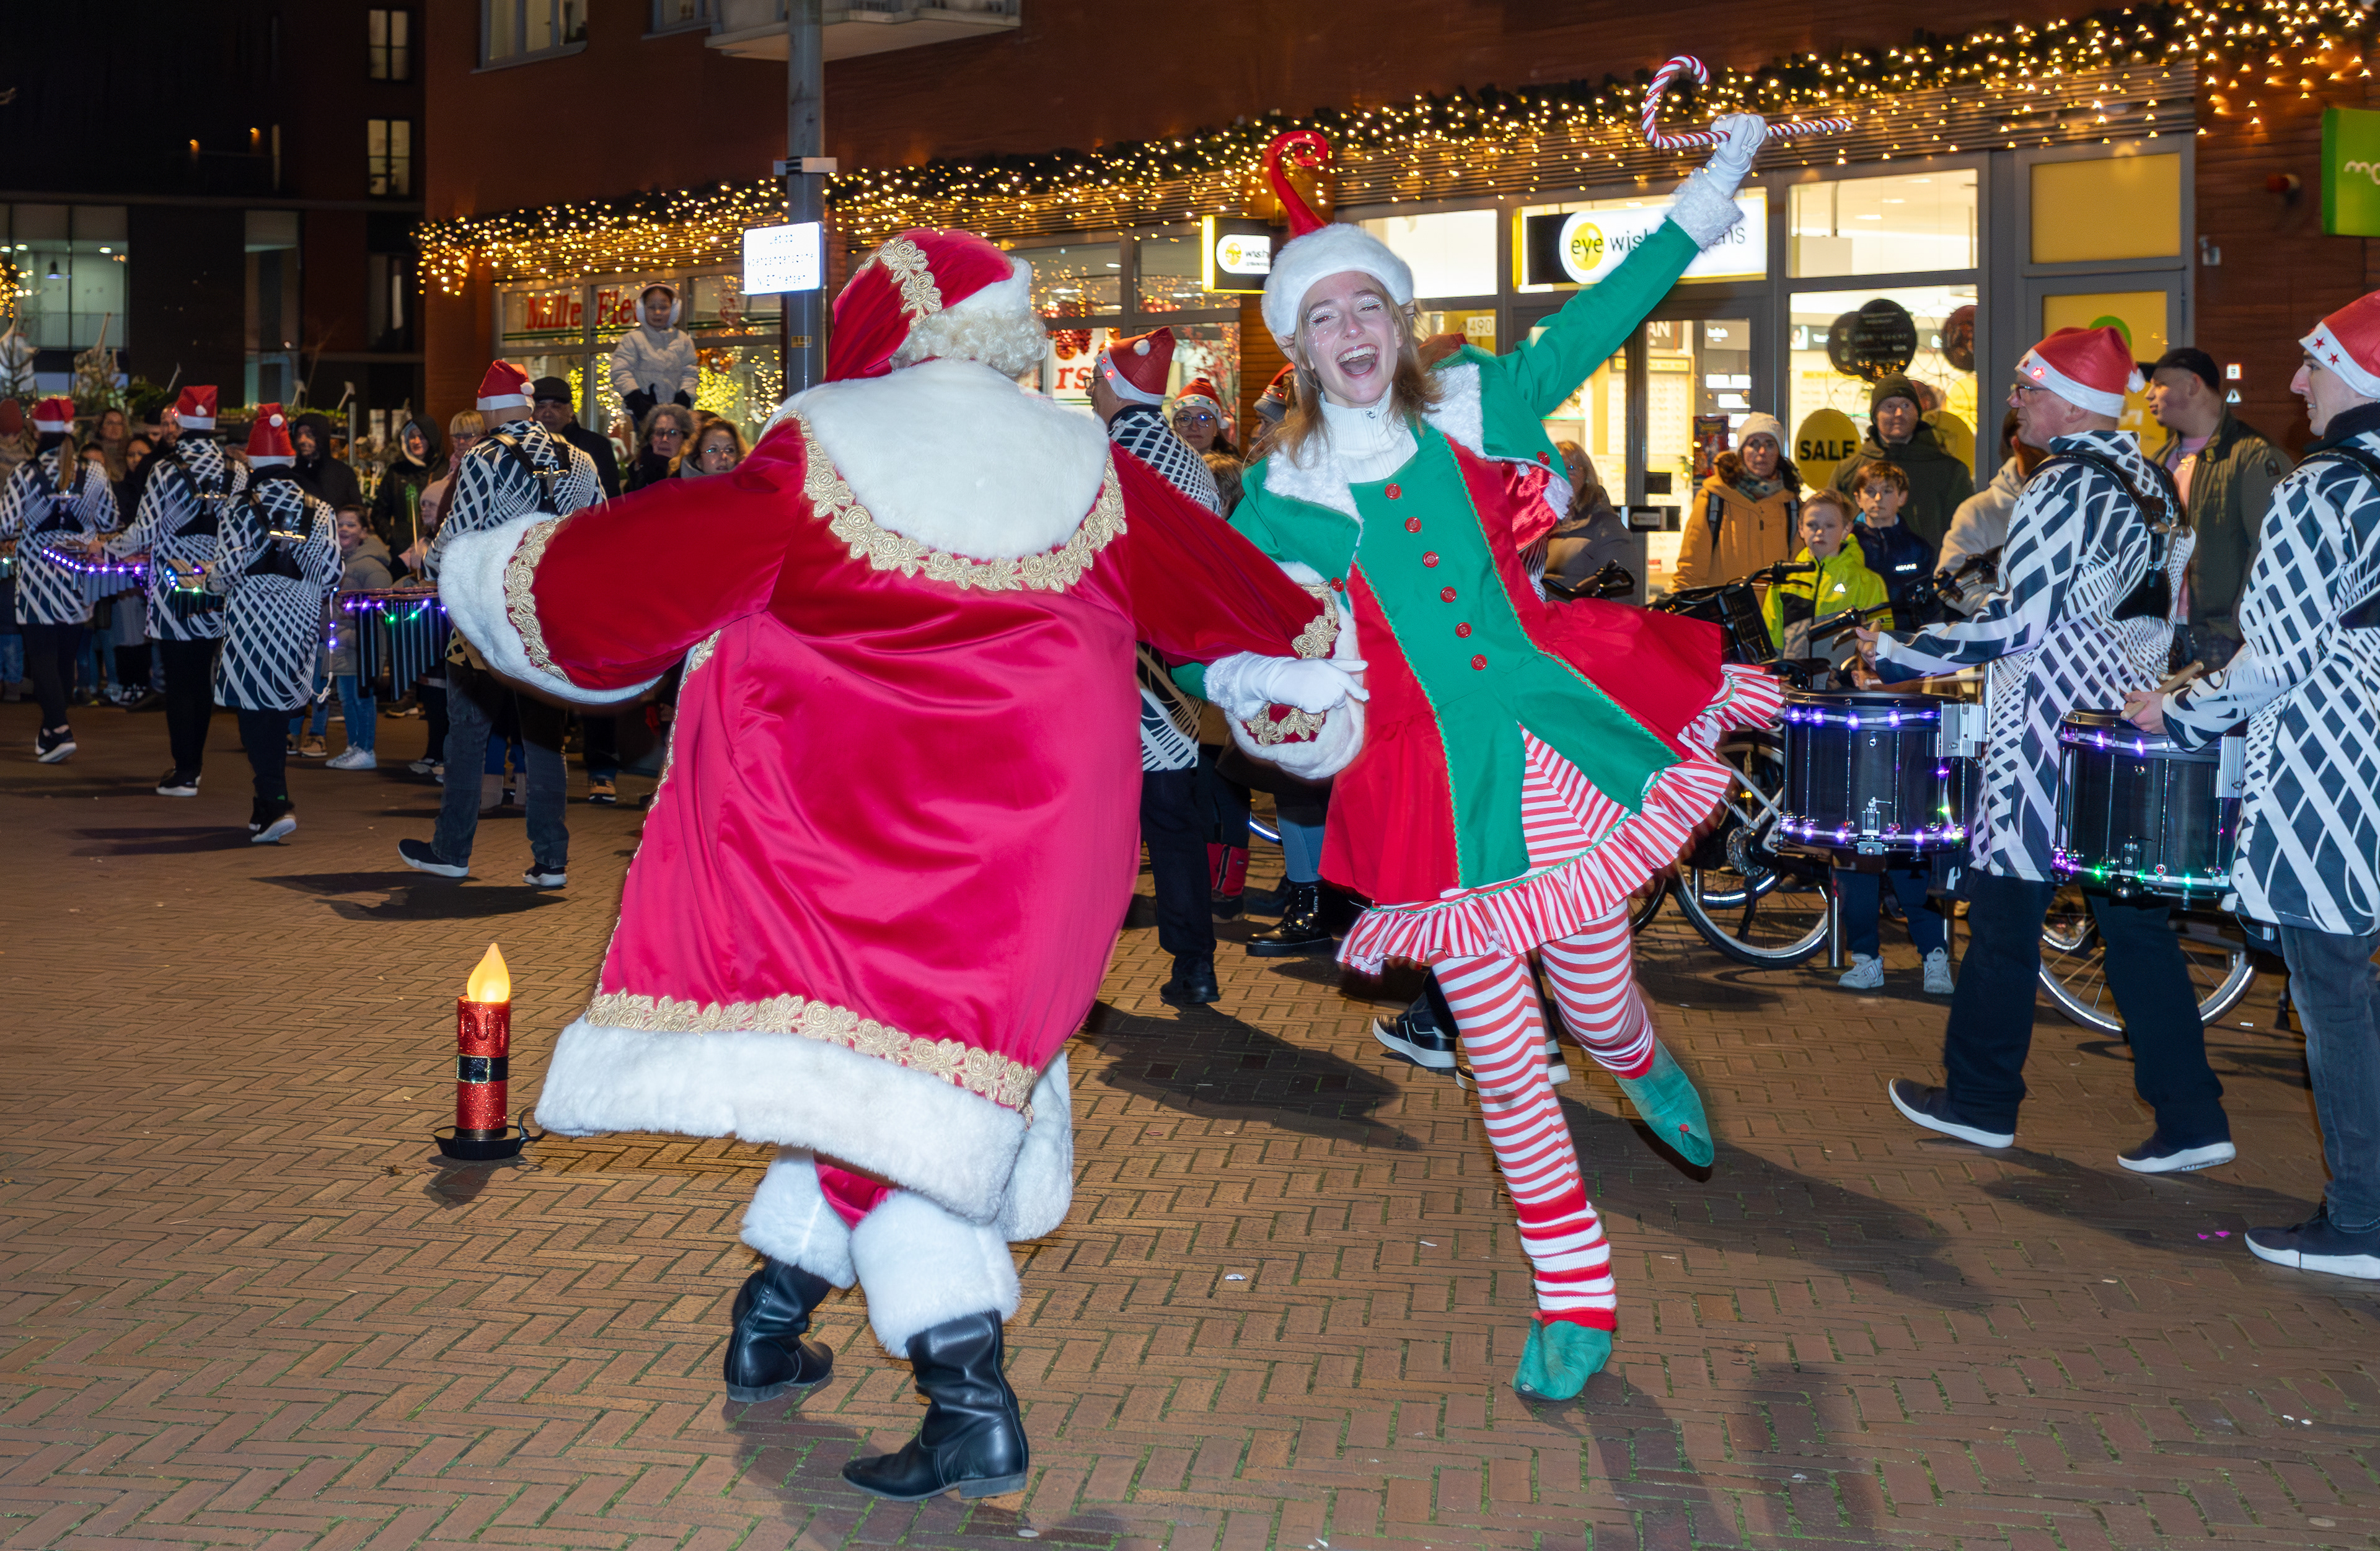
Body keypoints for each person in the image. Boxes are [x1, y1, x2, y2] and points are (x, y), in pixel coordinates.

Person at [432, 227, 1349, 1500]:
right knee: (900, 1081)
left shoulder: (823, 451)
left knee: (898, 1098)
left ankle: (968, 1398)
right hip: (1042, 852)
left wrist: (500, 568)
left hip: (847, 840)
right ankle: (769, 1318)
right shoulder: (1088, 459)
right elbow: (1239, 601)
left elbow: (643, 577)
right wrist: (1300, 650)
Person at [1201, 120, 1779, 1400]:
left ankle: (1636, 1056)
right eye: (1323, 319)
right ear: (1295, 350)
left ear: (1401, 324)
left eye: (1369, 307)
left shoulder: (1480, 403)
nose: (1350, 332)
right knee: (1501, 1049)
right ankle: (1575, 1285)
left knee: (1590, 985)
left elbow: (1607, 310)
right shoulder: (1283, 491)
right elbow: (1210, 632)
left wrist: (1711, 184)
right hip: (1425, 779)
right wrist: (1256, 678)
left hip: (1553, 721)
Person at [1857, 325, 2232, 1174]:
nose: (2016, 403)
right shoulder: (2152, 481)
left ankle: (1982, 1100)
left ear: (2071, 400)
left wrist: (1903, 653)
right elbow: (2154, 617)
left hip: (2044, 735)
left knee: (2002, 916)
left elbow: (2022, 625)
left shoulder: (2062, 485)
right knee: (2135, 928)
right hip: (2117, 729)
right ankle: (2192, 1115)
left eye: (2028, 388)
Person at [2127, 293, 2380, 1278]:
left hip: (2332, 777)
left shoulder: (2326, 488)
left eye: (2312, 364)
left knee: (2335, 1001)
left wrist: (2175, 709)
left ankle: (2360, 1219)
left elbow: (2275, 658)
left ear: (2360, 375)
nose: (2293, 385)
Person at [398, 362, 603, 884]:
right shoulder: (579, 458)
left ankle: (452, 850)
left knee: (467, 733)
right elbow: (603, 525)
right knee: (543, 737)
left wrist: (432, 566)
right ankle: (551, 858)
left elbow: (459, 531)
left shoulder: (485, 456)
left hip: (488, 613)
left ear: (487, 410)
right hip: (549, 613)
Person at [1090, 326, 1230, 1004]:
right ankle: (1195, 964)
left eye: (1096, 379)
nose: (1089, 389)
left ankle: (1079, 966)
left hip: (1109, 667)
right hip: (1175, 669)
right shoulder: (1192, 463)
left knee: (1091, 827)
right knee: (1174, 822)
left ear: (1114, 387)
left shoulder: (1099, 459)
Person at [208, 407, 340, 843]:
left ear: (254, 464)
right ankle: (264, 804)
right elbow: (334, 572)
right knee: (277, 711)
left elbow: (224, 572)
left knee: (253, 716)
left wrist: (208, 579)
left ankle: (278, 799)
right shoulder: (320, 510)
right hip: (298, 625)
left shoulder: (239, 508)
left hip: (251, 624)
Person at [2145, 346, 2293, 671]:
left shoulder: (2253, 458)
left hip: (2222, 638)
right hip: (2160, 632)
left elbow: (2270, 549)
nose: (2149, 395)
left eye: (2159, 384)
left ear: (2193, 385)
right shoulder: (2158, 462)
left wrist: (2237, 627)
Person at [0, 397, 120, 761]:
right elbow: (113, 520)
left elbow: (5, 525)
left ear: (36, 431)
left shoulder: (25, 473)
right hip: (77, 575)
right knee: (65, 660)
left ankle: (61, 730)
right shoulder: (95, 472)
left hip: (38, 575)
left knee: (43, 657)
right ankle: (50, 731)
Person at [1830, 373, 1975, 555]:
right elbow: (1829, 530)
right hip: (1858, 580)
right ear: (1875, 414)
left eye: (1906, 406)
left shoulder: (1950, 472)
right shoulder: (1848, 472)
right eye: (1889, 406)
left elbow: (1966, 536)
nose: (1898, 414)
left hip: (1928, 579)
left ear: (1918, 413)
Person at [1937, 408, 2046, 614]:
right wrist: (2004, 614)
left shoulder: (2074, 500)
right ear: (2016, 443)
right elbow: (1951, 583)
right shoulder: (1979, 511)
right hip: (2004, 640)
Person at [1675, 413, 1800, 589]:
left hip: (1774, 615)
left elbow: (1800, 576)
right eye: (1753, 444)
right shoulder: (1714, 499)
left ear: (1779, 453)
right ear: (1741, 451)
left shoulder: (1792, 507)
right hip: (1725, 614)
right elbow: (1691, 570)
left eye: (1770, 444)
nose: (1762, 452)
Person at [1765, 488, 1883, 666]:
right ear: (1801, 529)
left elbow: (1878, 643)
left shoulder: (1867, 582)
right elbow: (1771, 644)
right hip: (1793, 687)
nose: (1820, 532)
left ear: (1846, 529)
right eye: (1812, 525)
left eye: (1830, 525)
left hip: (1843, 688)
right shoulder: (1784, 581)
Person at [325, 506, 394, 770]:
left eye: (351, 525)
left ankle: (366, 749)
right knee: (346, 699)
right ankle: (353, 746)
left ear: (364, 532)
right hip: (342, 641)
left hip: (363, 644)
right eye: (340, 524)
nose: (343, 529)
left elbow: (383, 606)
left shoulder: (371, 566)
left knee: (361, 697)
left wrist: (350, 613)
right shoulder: (338, 562)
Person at [1850, 460, 1938, 630]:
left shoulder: (1919, 549)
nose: (1878, 498)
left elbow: (1930, 605)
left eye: (1887, 491)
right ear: (1858, 499)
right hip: (1855, 637)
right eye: (1870, 491)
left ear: (1902, 497)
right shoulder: (1846, 545)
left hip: (1904, 638)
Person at [608, 283, 698, 425]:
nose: (657, 313)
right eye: (652, 307)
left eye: (663, 308)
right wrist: (635, 397)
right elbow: (620, 370)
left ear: (674, 310)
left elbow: (690, 372)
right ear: (642, 309)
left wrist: (685, 395)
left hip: (674, 416)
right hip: (640, 416)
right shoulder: (633, 339)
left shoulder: (683, 340)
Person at [532, 377, 622, 499]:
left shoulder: (596, 446)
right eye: (541, 407)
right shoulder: (522, 446)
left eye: (556, 406)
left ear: (570, 410)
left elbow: (610, 496)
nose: (547, 413)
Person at [368, 415, 444, 558]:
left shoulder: (443, 471)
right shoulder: (396, 472)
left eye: (421, 437)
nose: (416, 442)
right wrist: (391, 537)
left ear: (432, 438)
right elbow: (379, 512)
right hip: (401, 551)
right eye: (412, 437)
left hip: (437, 549)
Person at [290, 411, 364, 512]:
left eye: (309, 435)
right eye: (299, 435)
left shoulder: (343, 473)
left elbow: (356, 513)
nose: (302, 441)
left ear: (322, 437)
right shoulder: (291, 473)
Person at [625, 402, 695, 491]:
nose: (665, 439)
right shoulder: (637, 471)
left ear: (685, 438)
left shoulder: (693, 474)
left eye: (673, 433)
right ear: (650, 438)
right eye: (659, 432)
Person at [1170, 377, 1236, 457]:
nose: (1194, 427)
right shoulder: (1157, 465)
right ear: (1174, 426)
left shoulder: (1235, 468)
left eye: (1203, 418)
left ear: (1217, 429)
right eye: (1185, 419)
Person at [679, 418, 745, 477]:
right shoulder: (676, 489)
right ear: (698, 459)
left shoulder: (749, 488)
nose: (723, 456)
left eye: (730, 450)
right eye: (713, 450)